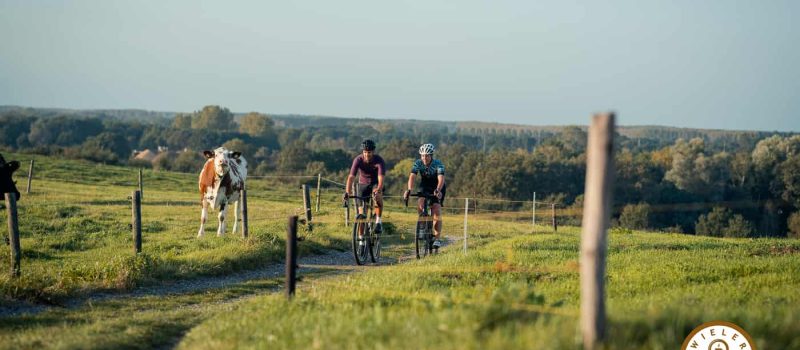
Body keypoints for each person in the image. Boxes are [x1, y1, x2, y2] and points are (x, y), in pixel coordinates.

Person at [403, 143, 446, 248]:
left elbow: (441, 179)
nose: (424, 158)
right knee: (420, 205)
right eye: (422, 156)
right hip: (425, 185)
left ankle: (437, 239)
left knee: (436, 210)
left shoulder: (438, 164)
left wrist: (438, 190)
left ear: (431, 155)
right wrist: (409, 189)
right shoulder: (418, 163)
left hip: (438, 186)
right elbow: (412, 176)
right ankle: (422, 227)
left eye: (426, 156)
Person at [344, 139, 386, 245]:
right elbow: (351, 177)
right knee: (362, 213)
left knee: (377, 197)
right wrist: (347, 192)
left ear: (373, 152)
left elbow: (381, 178)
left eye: (369, 152)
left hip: (375, 183)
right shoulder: (358, 160)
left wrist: (379, 189)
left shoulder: (379, 160)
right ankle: (361, 240)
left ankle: (378, 221)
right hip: (363, 184)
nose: (367, 154)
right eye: (365, 152)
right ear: (363, 152)